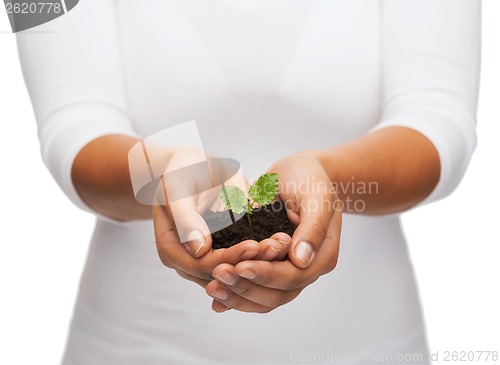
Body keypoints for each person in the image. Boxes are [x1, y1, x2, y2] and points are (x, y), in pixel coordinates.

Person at [17, 0, 480, 364]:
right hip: (130, 348)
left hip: (369, 345)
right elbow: (70, 129)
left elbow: (442, 123)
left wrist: (329, 179)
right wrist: (163, 172)